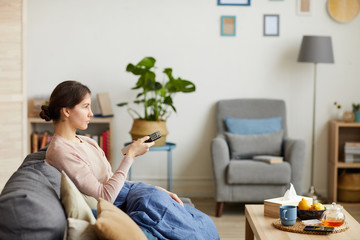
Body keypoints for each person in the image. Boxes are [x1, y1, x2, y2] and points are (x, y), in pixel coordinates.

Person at [41, 81, 219, 240]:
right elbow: (105, 197)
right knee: (194, 232)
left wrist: (156, 189)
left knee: (204, 222)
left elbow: (112, 179)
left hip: (135, 192)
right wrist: (130, 156)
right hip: (127, 202)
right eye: (86, 106)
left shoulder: (85, 140)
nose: (91, 113)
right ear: (66, 111)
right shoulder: (61, 151)